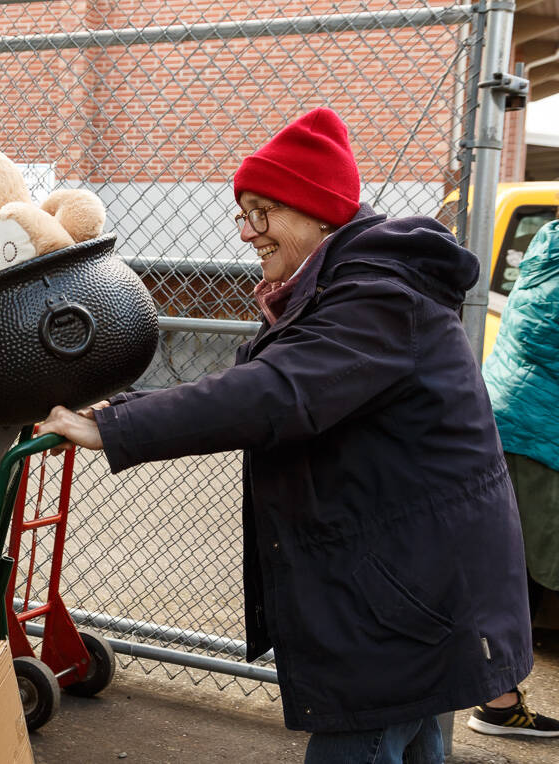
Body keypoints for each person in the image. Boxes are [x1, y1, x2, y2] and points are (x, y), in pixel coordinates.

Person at [36, 108, 534, 763]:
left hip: (408, 595)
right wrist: (124, 406)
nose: (247, 233)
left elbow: (274, 393)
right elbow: (260, 381)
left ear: (315, 212)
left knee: (366, 734)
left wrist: (115, 425)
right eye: (243, 214)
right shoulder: (341, 287)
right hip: (412, 585)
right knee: (408, 732)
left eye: (261, 213)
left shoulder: (378, 297)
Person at [470, 213, 559, 738]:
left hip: (508, 422)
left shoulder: (548, 240)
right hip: (538, 436)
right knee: (520, 571)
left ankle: (498, 700)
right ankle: (499, 704)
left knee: (509, 566)